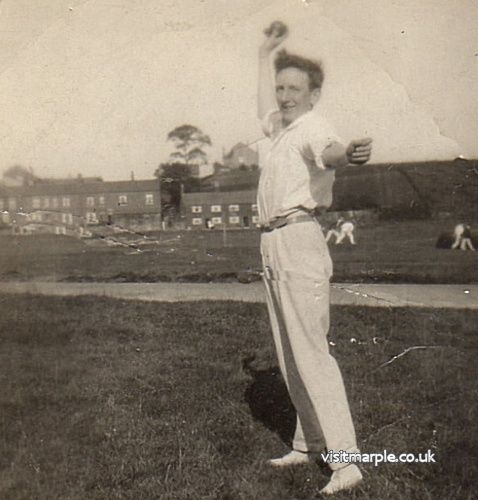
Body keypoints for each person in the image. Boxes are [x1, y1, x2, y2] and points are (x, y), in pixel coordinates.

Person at [257, 23, 372, 495]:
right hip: (272, 241)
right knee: (289, 352)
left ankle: (347, 462)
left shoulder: (312, 127)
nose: (284, 96)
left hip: (299, 239)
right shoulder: (278, 131)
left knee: (311, 352)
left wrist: (350, 154)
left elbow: (330, 152)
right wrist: (263, 56)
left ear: (314, 95)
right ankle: (309, 443)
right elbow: (261, 105)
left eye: (293, 89)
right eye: (280, 87)